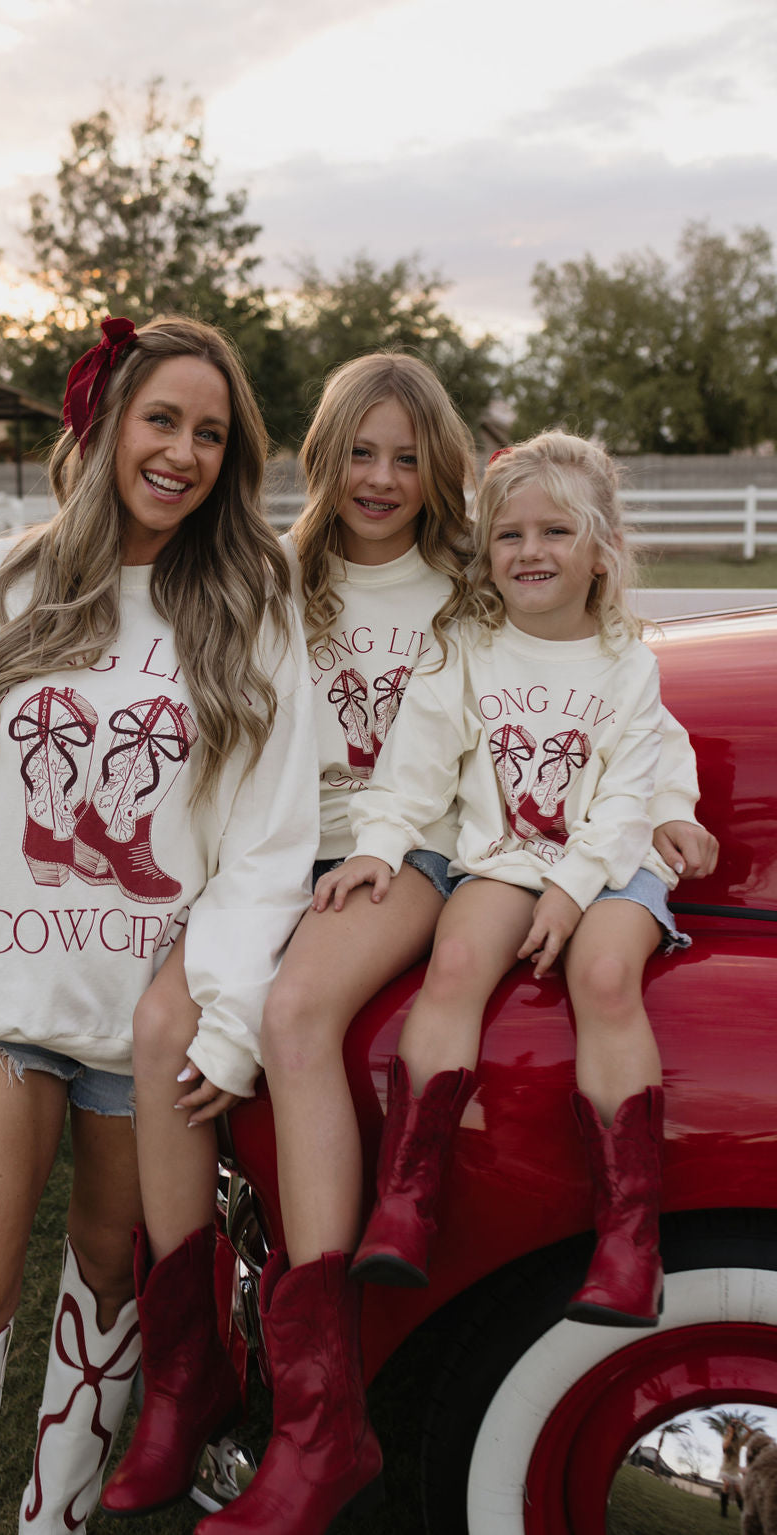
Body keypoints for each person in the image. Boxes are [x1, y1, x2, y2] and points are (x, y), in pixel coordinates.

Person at [102, 362, 717, 1534]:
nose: (379, 479)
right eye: (357, 453)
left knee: (290, 1016)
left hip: (417, 852)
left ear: (439, 470)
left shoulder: (467, 589)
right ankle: (187, 1375)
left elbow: (609, 692)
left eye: (405, 456)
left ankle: (322, 1413)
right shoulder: (278, 580)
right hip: (277, 848)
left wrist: (658, 811)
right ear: (320, 458)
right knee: (157, 1026)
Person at [0, 314, 318, 1535]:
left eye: (211, 433)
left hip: (148, 1028)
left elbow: (269, 842)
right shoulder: (3, 585)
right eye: (162, 419)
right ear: (106, 423)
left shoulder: (251, 604)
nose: (184, 452)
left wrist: (219, 1014)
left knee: (114, 1292)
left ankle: (52, 1521)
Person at [315, 430, 703, 1332]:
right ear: (487, 555)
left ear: (601, 553)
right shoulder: (467, 652)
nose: (532, 551)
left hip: (613, 861)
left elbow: (622, 800)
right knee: (454, 960)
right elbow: (411, 769)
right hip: (505, 858)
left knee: (604, 975)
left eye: (556, 532)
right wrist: (377, 845)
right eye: (510, 535)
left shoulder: (627, 663)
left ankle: (627, 1240)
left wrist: (573, 893)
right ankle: (407, 1197)